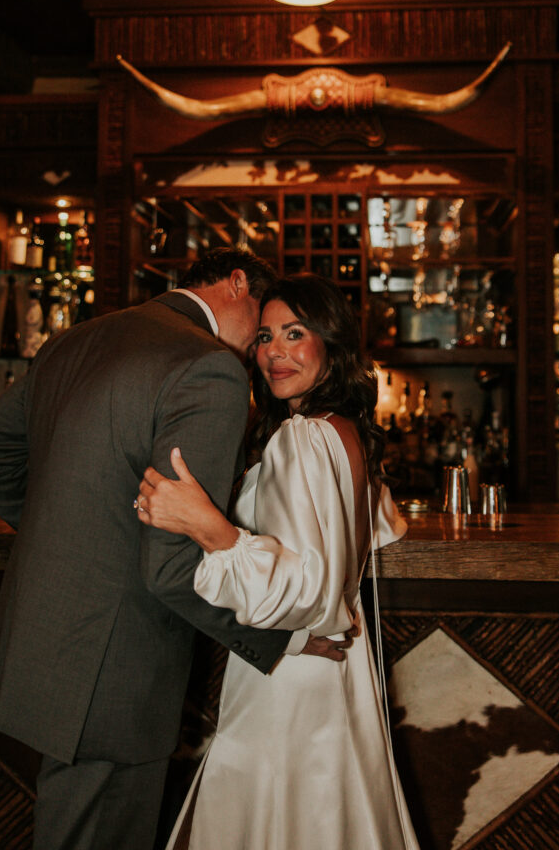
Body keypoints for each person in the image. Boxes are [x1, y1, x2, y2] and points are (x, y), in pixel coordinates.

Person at [0, 248, 350, 850]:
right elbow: (172, 564)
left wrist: (72, 533)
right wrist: (280, 636)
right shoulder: (207, 367)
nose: (261, 350)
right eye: (262, 328)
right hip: (113, 670)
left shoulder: (73, 341)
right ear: (238, 283)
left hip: (35, 656)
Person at [137, 273, 420, 849]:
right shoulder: (349, 433)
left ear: (330, 344)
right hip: (339, 670)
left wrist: (210, 528)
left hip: (290, 678)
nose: (274, 353)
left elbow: (306, 593)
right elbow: (382, 529)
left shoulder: (301, 437)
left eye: (295, 333)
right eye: (265, 337)